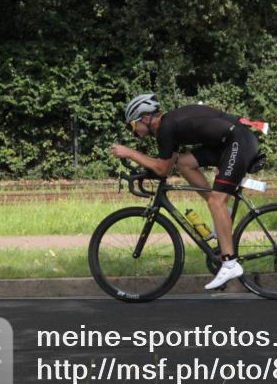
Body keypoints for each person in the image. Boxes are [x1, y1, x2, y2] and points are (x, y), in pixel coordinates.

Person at [110, 93, 261, 290]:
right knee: (184, 163)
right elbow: (168, 165)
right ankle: (223, 212)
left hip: (238, 141)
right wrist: (142, 171)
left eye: (132, 125)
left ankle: (230, 263)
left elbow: (162, 169)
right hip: (230, 142)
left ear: (145, 118)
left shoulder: (166, 127)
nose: (133, 132)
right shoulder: (168, 127)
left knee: (216, 201)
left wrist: (130, 153)